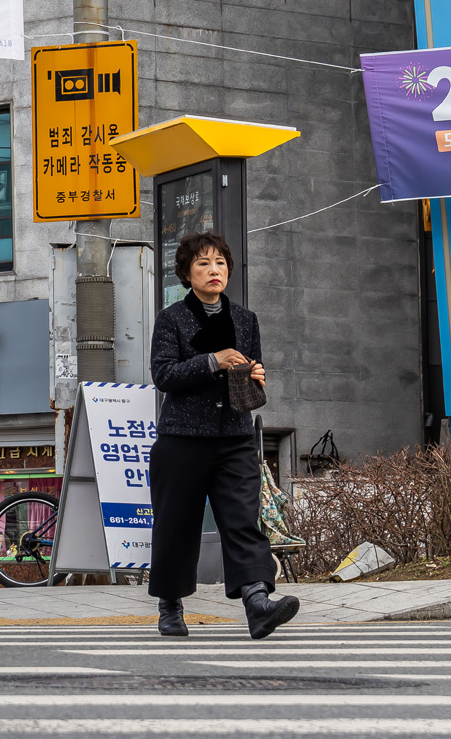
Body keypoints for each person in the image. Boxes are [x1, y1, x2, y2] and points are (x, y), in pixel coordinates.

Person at [147, 232, 299, 640]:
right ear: (187, 273)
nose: (214, 270)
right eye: (203, 264)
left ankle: (258, 602)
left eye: (220, 263)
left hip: (234, 436)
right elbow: (163, 376)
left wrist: (257, 377)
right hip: (182, 438)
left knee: (243, 521)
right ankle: (170, 605)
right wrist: (212, 360)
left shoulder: (246, 320)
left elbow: (250, 382)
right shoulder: (172, 318)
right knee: (176, 525)